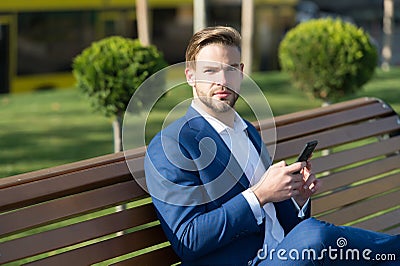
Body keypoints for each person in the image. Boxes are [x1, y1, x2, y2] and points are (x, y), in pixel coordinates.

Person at [144, 26, 399, 265]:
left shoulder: (246, 131)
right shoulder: (172, 146)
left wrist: (297, 198)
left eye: (231, 69)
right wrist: (259, 195)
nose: (223, 80)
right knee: (316, 236)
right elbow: (188, 239)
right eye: (210, 71)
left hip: (282, 253)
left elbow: (280, 223)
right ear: (190, 76)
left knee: (320, 238)